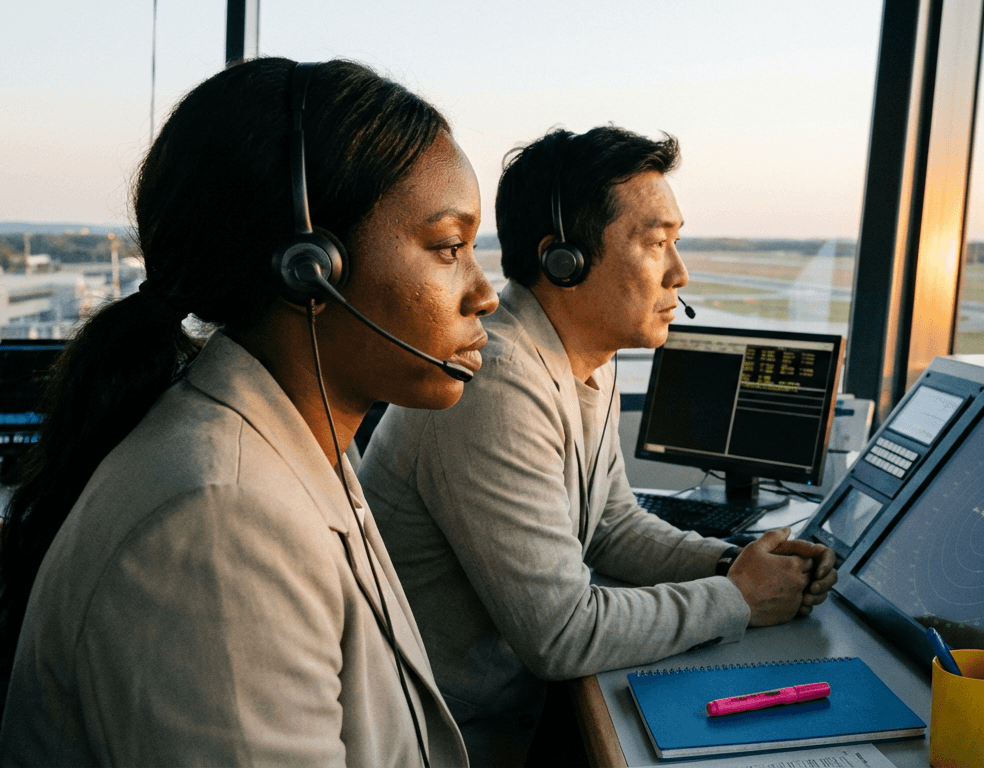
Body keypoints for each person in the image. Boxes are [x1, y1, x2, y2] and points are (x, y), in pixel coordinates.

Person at [0, 58, 497, 765]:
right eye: (449, 247)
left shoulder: (294, 446)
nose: (485, 293)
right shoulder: (221, 521)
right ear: (310, 266)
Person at [359, 125, 838, 764]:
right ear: (567, 259)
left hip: (518, 712)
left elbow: (611, 524)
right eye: (656, 243)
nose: (680, 273)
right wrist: (738, 600)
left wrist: (735, 564)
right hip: (452, 742)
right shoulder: (497, 381)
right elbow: (560, 633)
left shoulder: (587, 358)